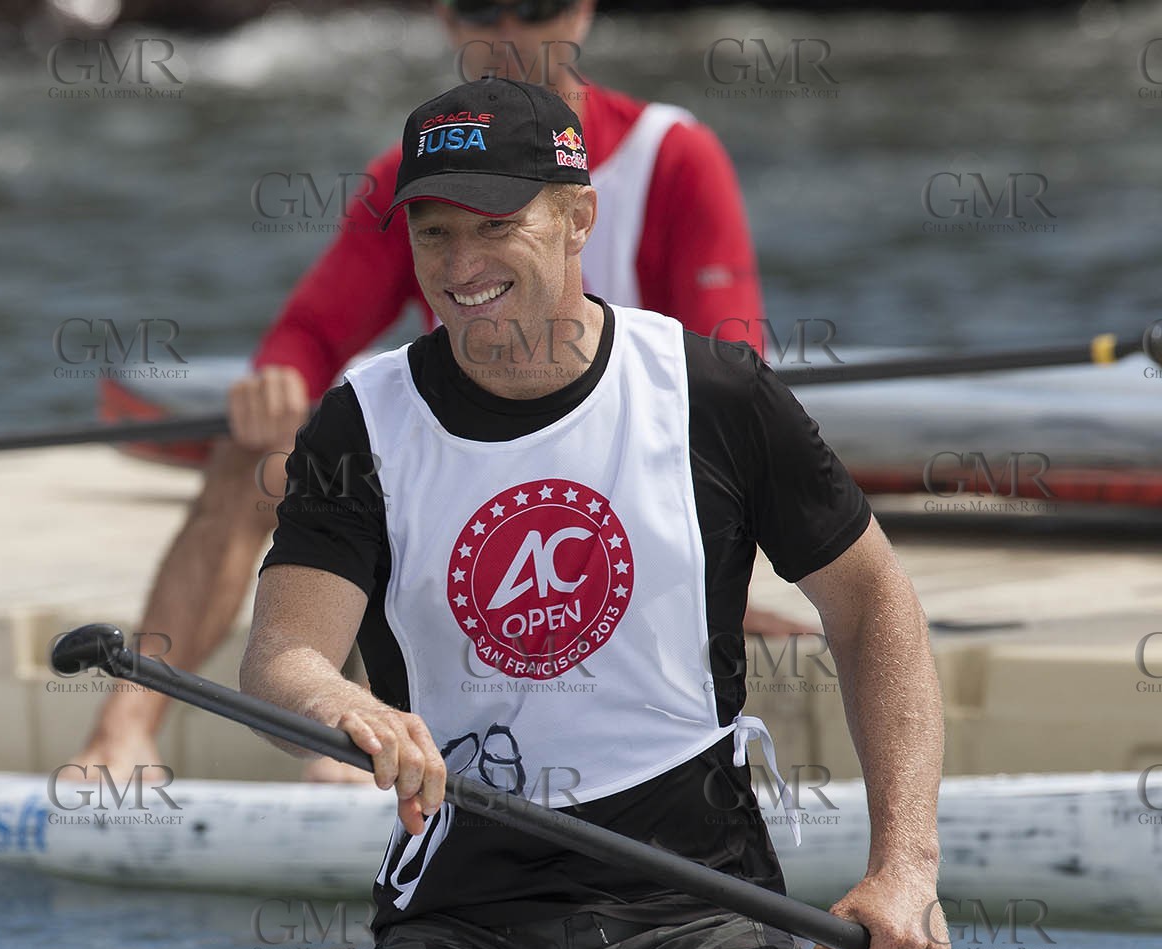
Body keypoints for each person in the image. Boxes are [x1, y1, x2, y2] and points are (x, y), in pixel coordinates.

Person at [239, 78, 950, 949]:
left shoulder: (714, 394)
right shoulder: (362, 423)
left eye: (493, 224)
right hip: (459, 922)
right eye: (432, 232)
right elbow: (280, 656)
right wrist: (341, 703)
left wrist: (903, 867)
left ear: (578, 217)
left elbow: (872, 602)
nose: (458, 265)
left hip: (699, 915)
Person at [71, 0, 772, 782]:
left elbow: (731, 379)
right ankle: (126, 735)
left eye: (535, 8)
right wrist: (279, 379)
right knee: (254, 452)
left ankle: (378, 725)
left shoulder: (673, 156)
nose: (508, 35)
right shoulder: (413, 179)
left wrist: (715, 571)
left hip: (621, 476)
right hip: (467, 470)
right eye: (480, 9)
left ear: (582, 11)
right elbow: (312, 331)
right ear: (445, 20)